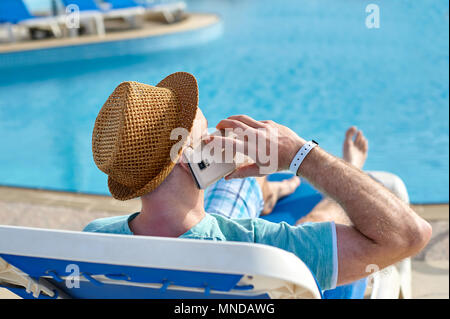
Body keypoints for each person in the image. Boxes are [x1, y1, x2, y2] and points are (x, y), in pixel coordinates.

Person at [84, 72, 431, 292]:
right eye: (205, 134)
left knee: (241, 187)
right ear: (187, 160)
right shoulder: (259, 251)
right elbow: (409, 235)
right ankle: (323, 176)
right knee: (339, 209)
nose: (214, 139)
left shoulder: (94, 241)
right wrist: (300, 154)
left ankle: (270, 189)